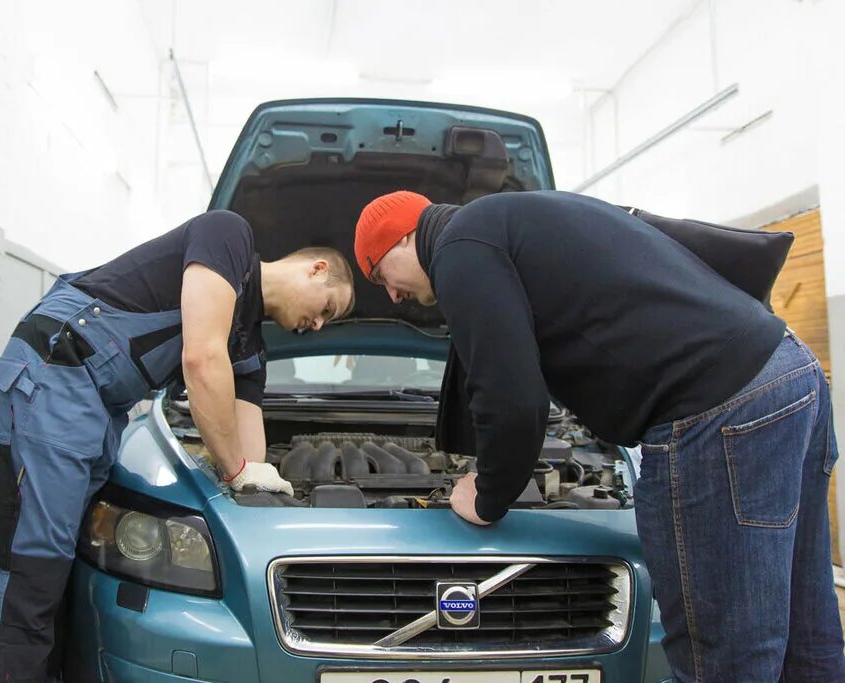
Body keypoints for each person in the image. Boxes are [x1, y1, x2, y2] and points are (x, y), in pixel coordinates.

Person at [353, 189, 844, 681]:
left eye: (380, 275)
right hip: (788, 373)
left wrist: (487, 496)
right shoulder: (508, 219)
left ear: (402, 238)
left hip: (720, 408)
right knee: (808, 635)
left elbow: (514, 399)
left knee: (724, 657)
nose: (393, 296)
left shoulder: (459, 247)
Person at [0, 209, 354, 682]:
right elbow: (202, 358)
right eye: (328, 308)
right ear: (317, 269)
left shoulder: (248, 348)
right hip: (56, 376)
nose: (319, 326)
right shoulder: (229, 236)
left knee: (58, 575)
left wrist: (269, 486)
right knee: (23, 568)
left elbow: (251, 450)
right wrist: (235, 470)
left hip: (101, 410)